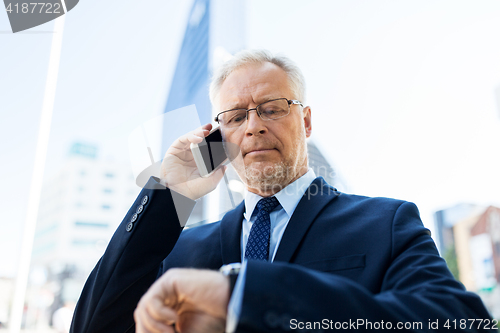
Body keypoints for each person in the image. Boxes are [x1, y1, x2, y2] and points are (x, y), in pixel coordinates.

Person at [70, 50, 492, 333]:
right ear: (220, 137)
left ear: (306, 122)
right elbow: (94, 325)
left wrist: (245, 296)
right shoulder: (181, 248)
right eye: (236, 117)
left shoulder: (386, 223)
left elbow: (461, 323)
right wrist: (172, 192)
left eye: (272, 109)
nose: (253, 126)